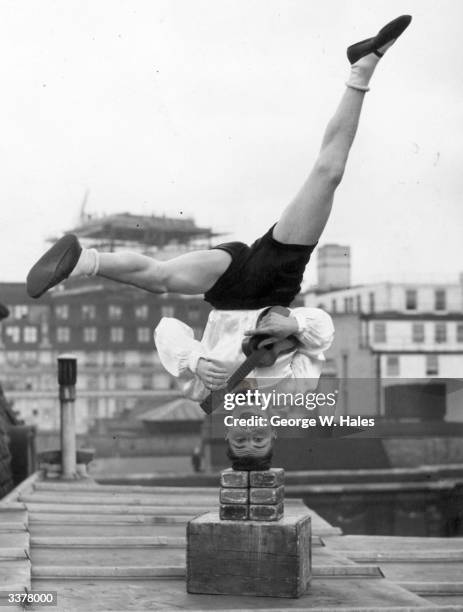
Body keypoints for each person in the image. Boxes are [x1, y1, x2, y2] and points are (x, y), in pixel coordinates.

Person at [26, 15, 412, 312]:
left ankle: (84, 262)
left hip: (232, 287)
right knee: (329, 172)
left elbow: (195, 369)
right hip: (275, 272)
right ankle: (361, 69)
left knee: (159, 277)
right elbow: (312, 331)